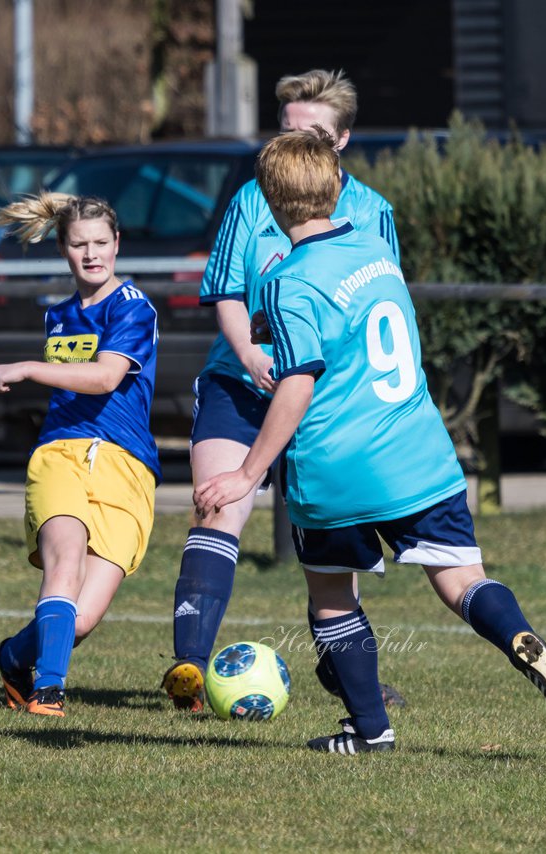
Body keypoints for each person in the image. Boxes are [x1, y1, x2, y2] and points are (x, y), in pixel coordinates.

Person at [193, 130, 546, 752]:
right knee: (463, 580)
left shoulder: (287, 281)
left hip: (336, 468)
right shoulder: (375, 248)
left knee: (329, 596)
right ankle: (519, 636)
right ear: (336, 186)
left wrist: (247, 473)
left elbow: (296, 382)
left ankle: (370, 731)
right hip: (419, 454)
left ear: (269, 200)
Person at [163, 68, 404, 713]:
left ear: (343, 139)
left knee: (331, 547)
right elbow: (227, 295)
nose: (297, 147)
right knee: (217, 505)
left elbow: (379, 305)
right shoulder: (250, 201)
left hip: (325, 400)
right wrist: (249, 354)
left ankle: (347, 679)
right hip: (241, 384)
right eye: (288, 132)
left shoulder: (372, 213)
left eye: (316, 134)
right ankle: (188, 672)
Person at [0, 193, 160, 718]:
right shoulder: (58, 316)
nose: (91, 255)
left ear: (117, 245)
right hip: (60, 454)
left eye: (101, 243)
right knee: (64, 562)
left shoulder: (133, 307)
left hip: (125, 465)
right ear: (63, 249)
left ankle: (14, 657)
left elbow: (107, 376)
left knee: (81, 620)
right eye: (79, 244)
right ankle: (50, 692)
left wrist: (28, 369)